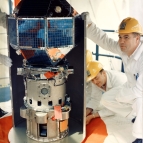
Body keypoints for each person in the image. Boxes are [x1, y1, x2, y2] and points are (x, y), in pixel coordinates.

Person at [82, 12, 143, 143]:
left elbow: (139, 91)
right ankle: (134, 115)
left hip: (140, 93)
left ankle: (140, 137)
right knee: (107, 98)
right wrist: (89, 25)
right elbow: (105, 41)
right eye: (120, 37)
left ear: (137, 38)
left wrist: (123, 99)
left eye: (126, 37)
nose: (121, 41)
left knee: (140, 103)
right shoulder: (124, 49)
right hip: (131, 88)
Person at [86, 60, 127, 125]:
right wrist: (86, 112)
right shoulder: (95, 81)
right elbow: (95, 98)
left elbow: (115, 107)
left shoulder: (118, 81)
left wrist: (93, 116)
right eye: (92, 80)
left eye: (96, 78)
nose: (95, 82)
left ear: (104, 73)